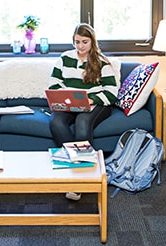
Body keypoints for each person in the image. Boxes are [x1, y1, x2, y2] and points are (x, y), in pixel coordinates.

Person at [48, 23, 118, 201]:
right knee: (56, 122)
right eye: (77, 42)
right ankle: (76, 170)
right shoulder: (64, 58)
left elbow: (111, 92)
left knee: (82, 122)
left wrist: (92, 100)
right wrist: (64, 97)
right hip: (70, 103)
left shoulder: (102, 62)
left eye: (84, 42)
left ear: (92, 41)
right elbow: (54, 84)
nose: (80, 46)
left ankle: (82, 181)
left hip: (97, 104)